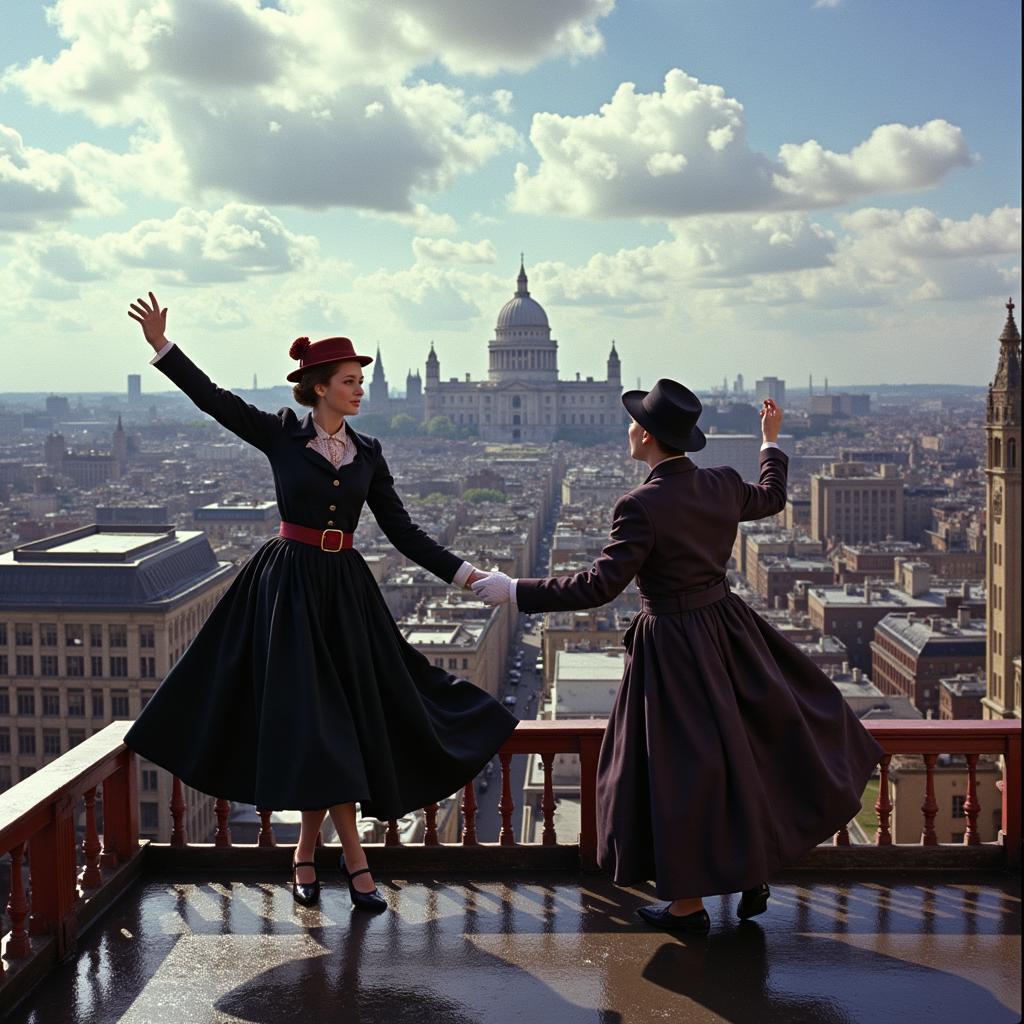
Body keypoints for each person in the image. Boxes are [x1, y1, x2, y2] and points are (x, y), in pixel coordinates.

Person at [126, 293, 518, 911]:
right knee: (321, 727)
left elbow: (403, 532)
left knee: (329, 729)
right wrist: (163, 348)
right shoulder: (280, 436)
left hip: (345, 591)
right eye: (349, 381)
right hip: (288, 589)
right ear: (319, 388)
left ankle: (306, 856)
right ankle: (355, 864)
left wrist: (469, 576)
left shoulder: (369, 454)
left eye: (362, 381)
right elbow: (214, 401)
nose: (361, 390)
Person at [472, 380, 882, 933]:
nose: (627, 428)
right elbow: (773, 496)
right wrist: (770, 443)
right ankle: (751, 868)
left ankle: (687, 905)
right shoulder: (720, 484)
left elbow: (598, 587)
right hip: (731, 632)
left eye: (633, 422)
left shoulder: (639, 505)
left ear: (644, 435)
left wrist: (515, 589)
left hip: (673, 644)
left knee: (679, 770)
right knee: (743, 753)